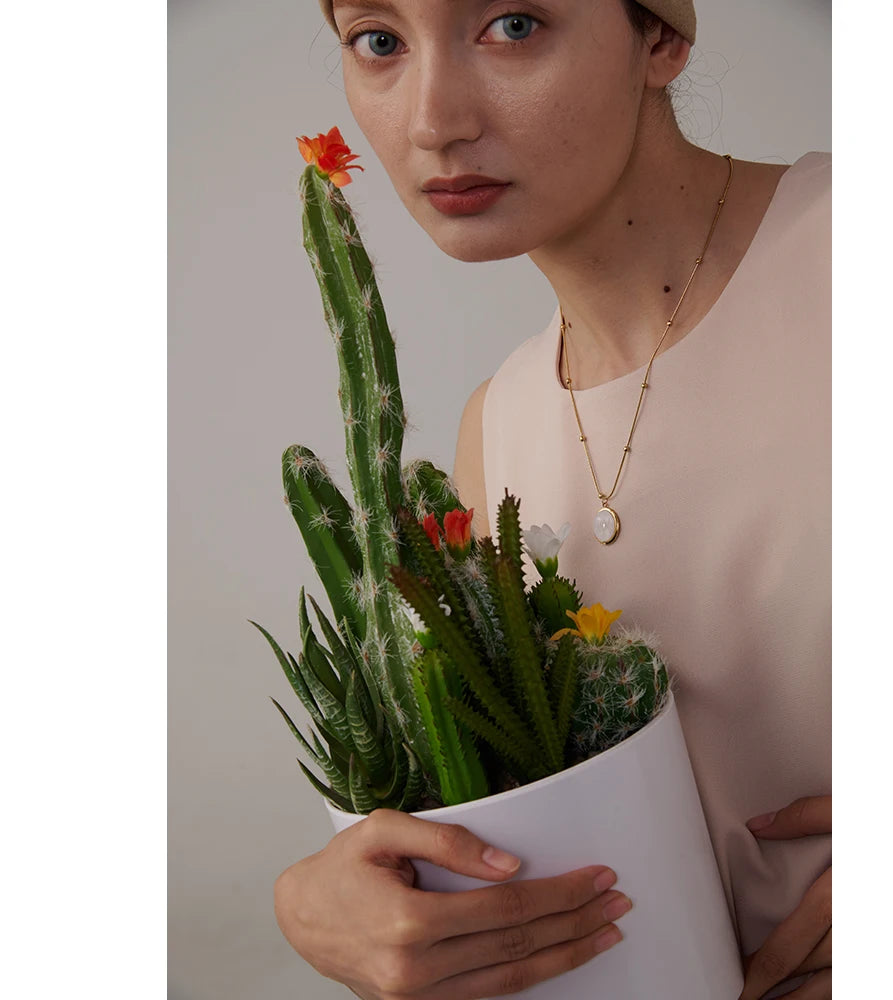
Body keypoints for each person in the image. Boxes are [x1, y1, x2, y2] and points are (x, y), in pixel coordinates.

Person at [273, 2, 831, 998]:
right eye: (378, 40)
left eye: (514, 23)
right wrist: (334, 896)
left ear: (658, 36)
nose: (433, 119)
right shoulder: (496, 434)